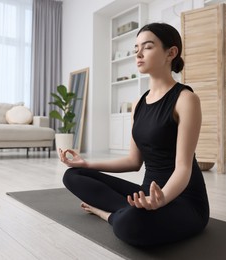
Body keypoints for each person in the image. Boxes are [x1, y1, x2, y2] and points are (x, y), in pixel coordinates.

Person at [59, 22, 209, 247]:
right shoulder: (138, 103)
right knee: (73, 175)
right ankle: (128, 211)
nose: (138, 53)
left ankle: (108, 215)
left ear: (171, 52)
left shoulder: (186, 99)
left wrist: (162, 200)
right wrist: (86, 163)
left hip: (183, 200)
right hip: (146, 196)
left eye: (147, 47)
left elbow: (184, 168)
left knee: (130, 225)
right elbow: (133, 161)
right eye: (135, 48)